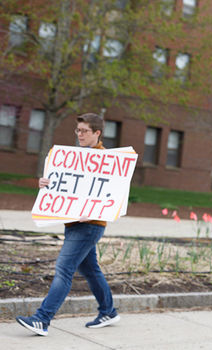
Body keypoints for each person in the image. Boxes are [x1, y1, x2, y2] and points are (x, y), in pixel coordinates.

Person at [16, 113, 120, 336]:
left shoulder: (108, 161)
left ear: (97, 133)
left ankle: (42, 319)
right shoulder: (74, 157)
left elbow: (113, 196)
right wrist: (46, 183)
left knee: (63, 270)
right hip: (73, 224)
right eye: (77, 130)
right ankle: (108, 311)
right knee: (90, 269)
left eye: (84, 131)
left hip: (90, 224)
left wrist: (92, 210)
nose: (79, 135)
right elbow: (67, 187)